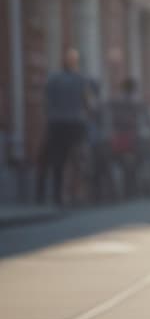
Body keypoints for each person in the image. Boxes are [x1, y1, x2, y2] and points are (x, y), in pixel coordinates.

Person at [36, 48, 91, 205]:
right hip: (75, 124)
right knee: (77, 161)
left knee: (56, 160)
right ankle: (75, 194)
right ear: (75, 62)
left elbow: (46, 102)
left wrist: (49, 117)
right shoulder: (81, 80)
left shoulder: (53, 79)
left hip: (56, 124)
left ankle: (55, 195)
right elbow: (87, 103)